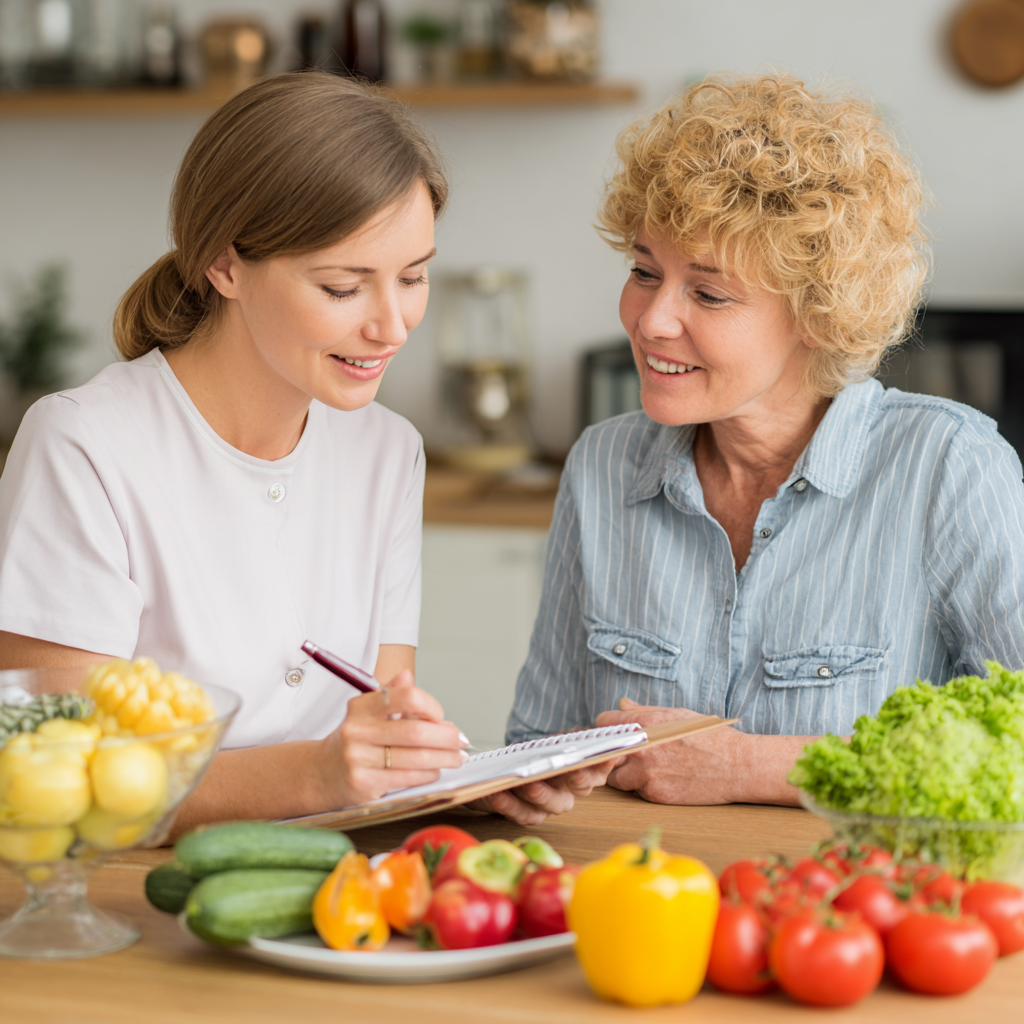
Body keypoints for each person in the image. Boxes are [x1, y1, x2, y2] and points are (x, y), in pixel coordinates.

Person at [0, 73, 603, 831]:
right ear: (225, 265)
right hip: (129, 899)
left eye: (413, 277)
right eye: (345, 287)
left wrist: (447, 771)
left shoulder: (388, 452)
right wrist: (315, 774)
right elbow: (59, 772)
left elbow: (379, 712)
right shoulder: (84, 445)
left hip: (329, 879)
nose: (393, 326)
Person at [506, 73, 1024, 807]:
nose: (651, 320)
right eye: (643, 272)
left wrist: (744, 766)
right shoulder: (602, 465)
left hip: (848, 913)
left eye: (708, 293)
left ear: (819, 315)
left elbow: (1016, 749)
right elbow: (538, 743)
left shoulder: (948, 467)